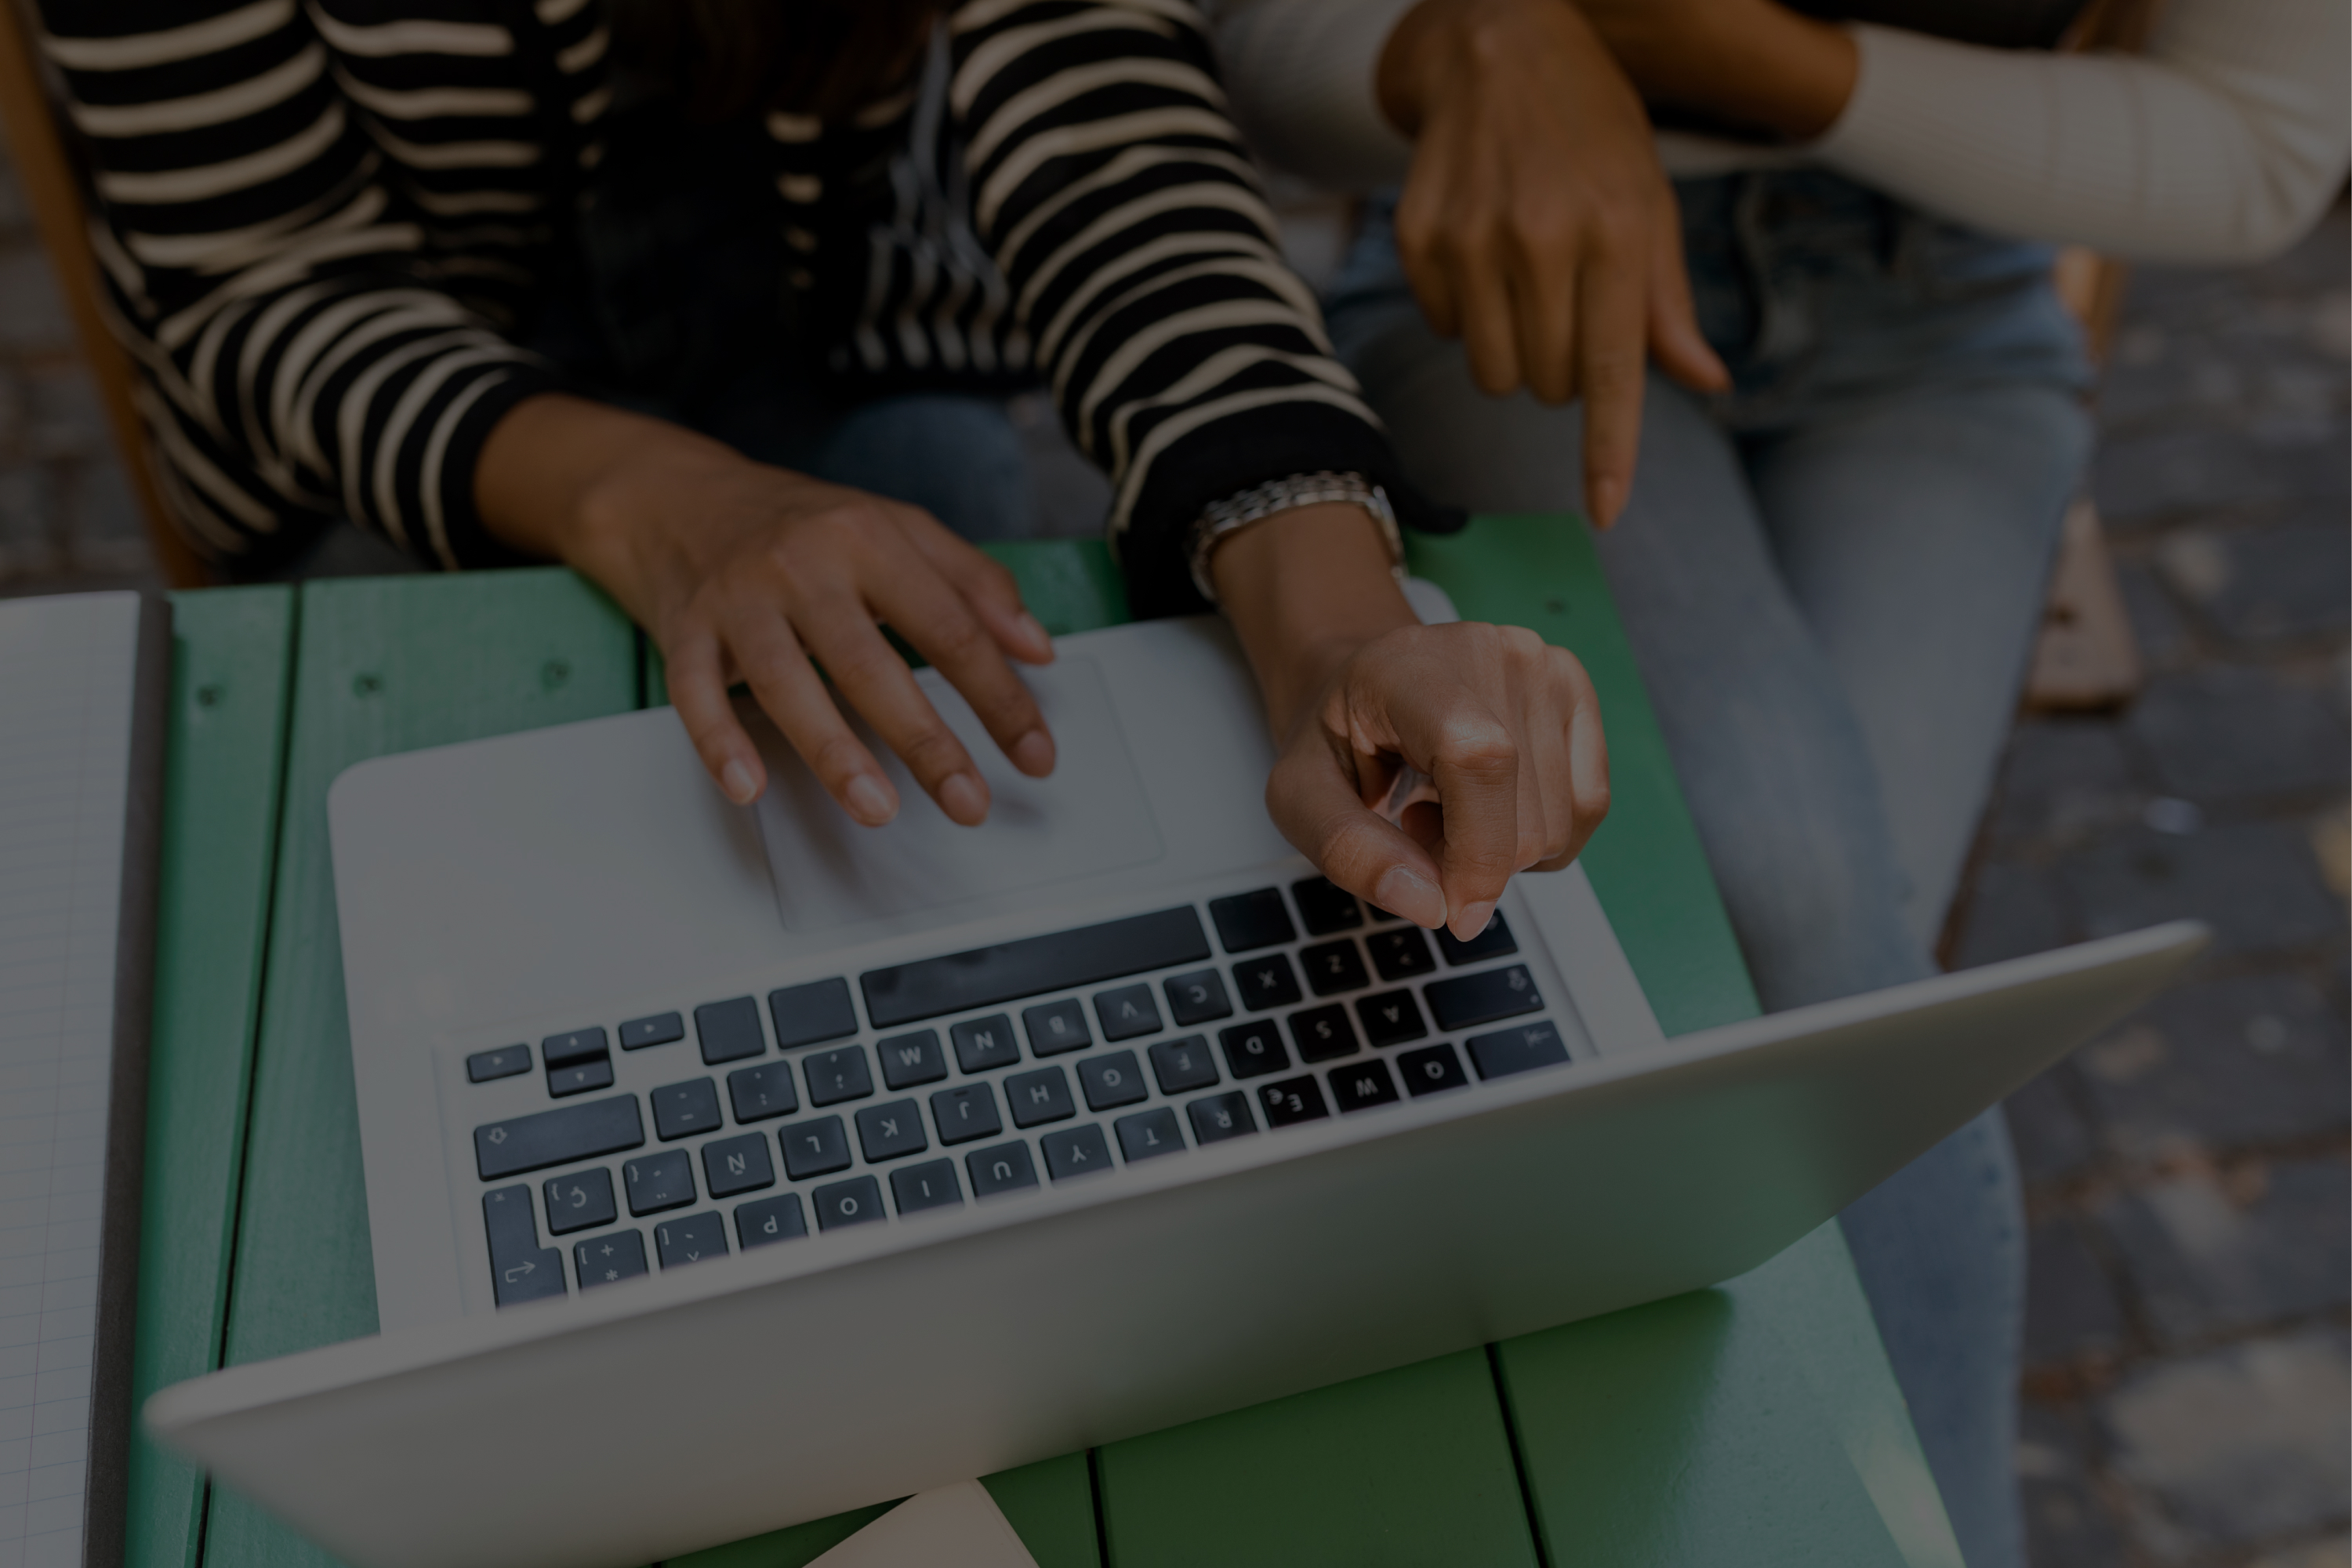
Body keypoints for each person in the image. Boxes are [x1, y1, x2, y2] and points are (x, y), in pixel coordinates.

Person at [1204, 0, 2348, 1560]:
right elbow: (1260, 55)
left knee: (1796, 959)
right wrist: (1470, 45)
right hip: (1521, 260)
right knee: (1794, 918)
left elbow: (2264, 152)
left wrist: (1687, 41)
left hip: (1948, 303)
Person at [35, 0, 1611, 944]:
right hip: (398, 448)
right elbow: (263, 282)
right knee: (401, 946)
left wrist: (1338, 625)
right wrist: (673, 505)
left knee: (1004, 867)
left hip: (843, 353)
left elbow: (1109, 137)